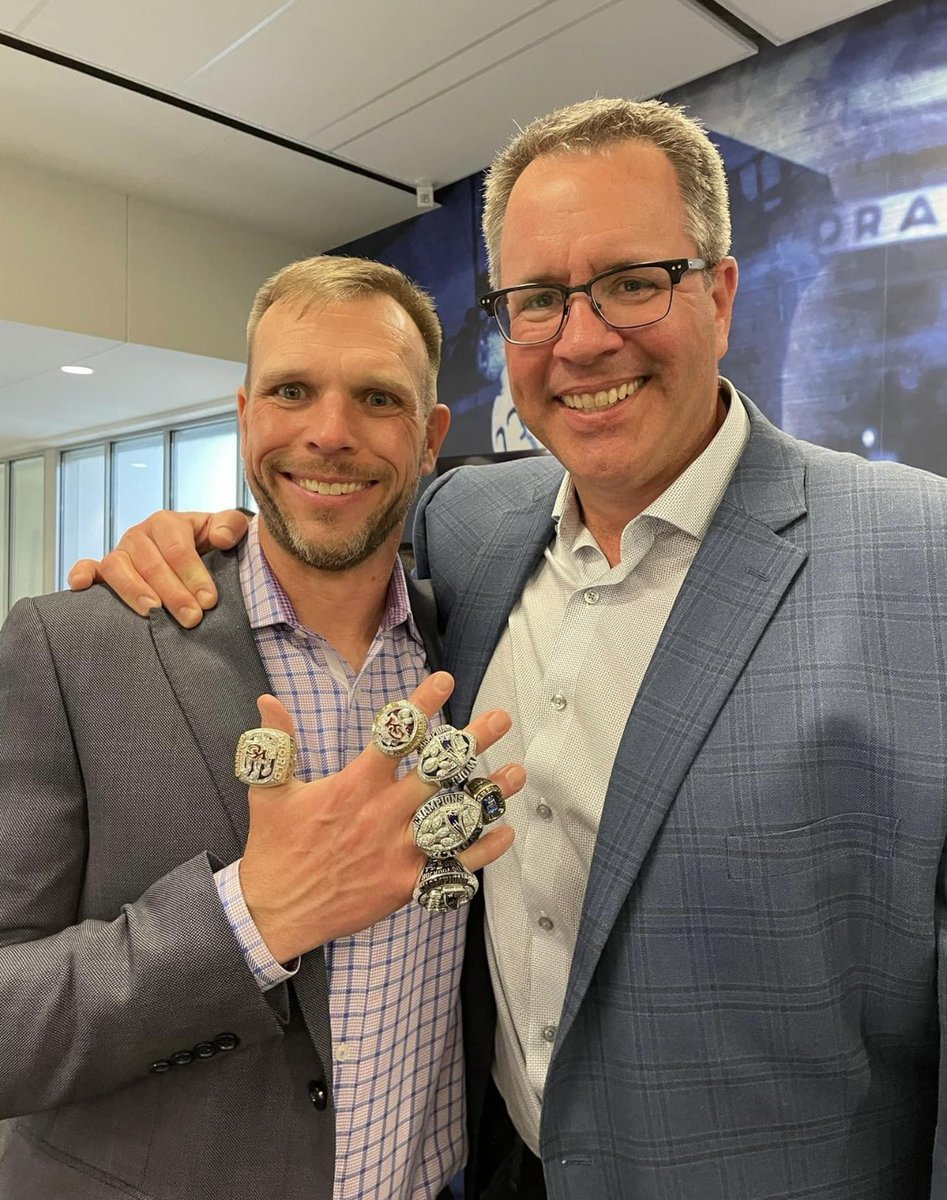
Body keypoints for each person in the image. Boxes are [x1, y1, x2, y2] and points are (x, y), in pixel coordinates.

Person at [70, 98, 947, 1199]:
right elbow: (331, 532)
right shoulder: (472, 530)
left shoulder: (923, 561)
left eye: (632, 281)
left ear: (718, 295)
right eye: (536, 299)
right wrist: (199, 536)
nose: (581, 340)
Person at [0, 254, 525, 1200]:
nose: (330, 433)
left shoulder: (483, 639)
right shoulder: (70, 648)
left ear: (431, 435)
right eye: (292, 390)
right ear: (246, 415)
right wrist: (251, 918)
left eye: (377, 399)